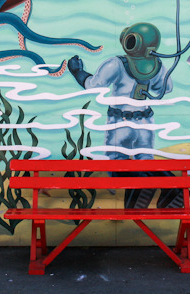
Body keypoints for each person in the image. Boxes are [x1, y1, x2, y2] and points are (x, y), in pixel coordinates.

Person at [69, 23, 181, 208]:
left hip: (120, 121)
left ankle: (141, 185)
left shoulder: (117, 63)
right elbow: (166, 88)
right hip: (145, 121)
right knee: (146, 160)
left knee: (115, 165)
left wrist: (77, 71)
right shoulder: (157, 65)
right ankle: (174, 188)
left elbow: (94, 85)